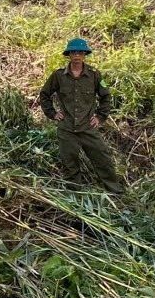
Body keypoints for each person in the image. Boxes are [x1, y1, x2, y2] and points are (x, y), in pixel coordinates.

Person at [37, 38, 124, 193]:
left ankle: (115, 190)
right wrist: (52, 113)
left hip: (88, 127)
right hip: (67, 129)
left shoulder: (94, 75)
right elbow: (44, 95)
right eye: (73, 52)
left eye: (80, 52)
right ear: (69, 55)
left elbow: (105, 96)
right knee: (69, 164)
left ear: (85, 55)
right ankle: (75, 195)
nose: (77, 55)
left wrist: (100, 116)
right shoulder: (58, 76)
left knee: (103, 158)